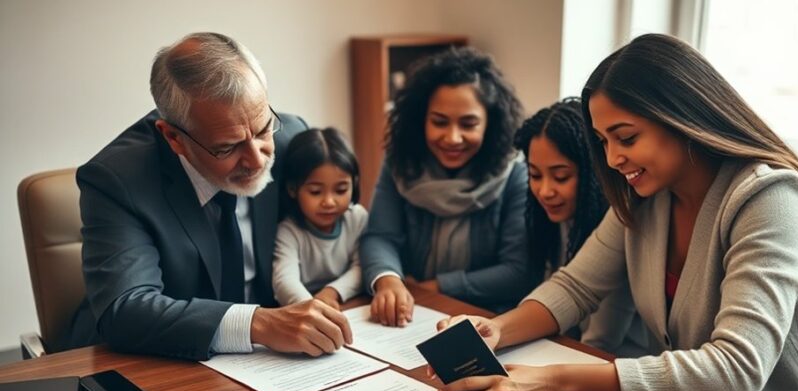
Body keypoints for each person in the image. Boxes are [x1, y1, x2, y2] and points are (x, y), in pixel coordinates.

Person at [434, 34, 798, 391]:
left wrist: (552, 380)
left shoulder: (770, 197)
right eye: (603, 142)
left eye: (627, 137)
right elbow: (576, 286)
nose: (614, 158)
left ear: (683, 117)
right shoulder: (647, 197)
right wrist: (495, 330)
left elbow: (735, 370)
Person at [71, 32, 351, 360]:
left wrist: (383, 276)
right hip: (159, 362)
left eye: (262, 130)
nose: (257, 160)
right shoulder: (117, 180)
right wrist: (257, 324)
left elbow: (348, 228)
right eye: (227, 147)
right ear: (173, 137)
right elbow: (125, 309)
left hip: (275, 363)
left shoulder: (291, 139)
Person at [360, 47, 535, 326]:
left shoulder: (514, 172)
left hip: (488, 318)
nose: (453, 138)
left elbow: (517, 272)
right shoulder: (399, 163)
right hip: (411, 314)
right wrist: (388, 280)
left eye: (468, 124)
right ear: (421, 119)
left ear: (490, 123)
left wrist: (435, 287)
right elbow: (380, 236)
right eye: (439, 122)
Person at [515, 97, 647, 357]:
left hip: (616, 366)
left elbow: (599, 342)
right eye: (535, 175)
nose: (545, 191)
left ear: (594, 173)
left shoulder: (618, 226)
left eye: (561, 176)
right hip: (568, 351)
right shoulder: (549, 220)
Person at [272, 128, 367, 310]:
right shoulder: (289, 231)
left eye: (340, 190)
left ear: (353, 185)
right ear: (292, 189)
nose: (329, 202)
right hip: (304, 309)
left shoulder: (357, 218)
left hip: (348, 303)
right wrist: (313, 308)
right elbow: (284, 281)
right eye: (316, 192)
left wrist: (331, 292)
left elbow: (362, 268)